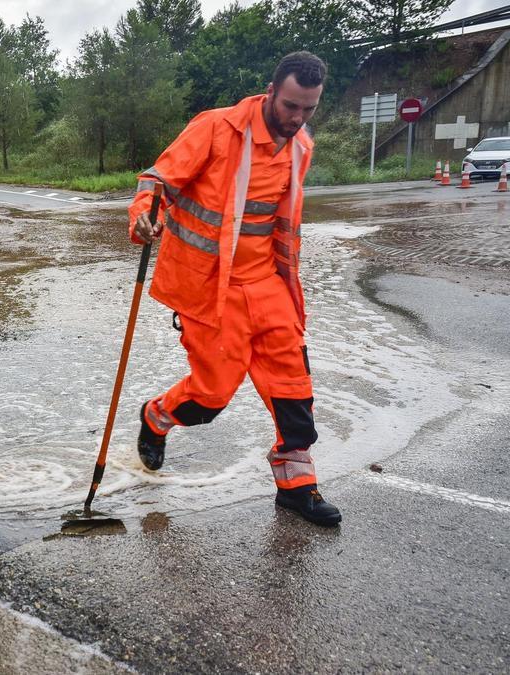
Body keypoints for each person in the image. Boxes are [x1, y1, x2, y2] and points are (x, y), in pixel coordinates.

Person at [127, 52, 341, 526]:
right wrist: (145, 215)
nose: (297, 118)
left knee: (294, 392)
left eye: (308, 109)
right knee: (209, 398)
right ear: (270, 90)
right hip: (211, 291)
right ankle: (156, 417)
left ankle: (297, 488)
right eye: (290, 106)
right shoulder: (216, 128)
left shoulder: (300, 145)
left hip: (269, 286)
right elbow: (157, 181)